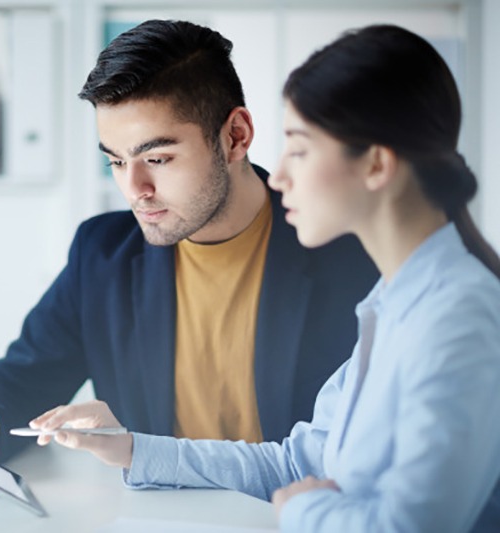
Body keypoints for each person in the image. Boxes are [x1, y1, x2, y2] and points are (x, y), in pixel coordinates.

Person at [30, 24, 500, 532]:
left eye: (298, 149)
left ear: (376, 164)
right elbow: (297, 463)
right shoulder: (392, 301)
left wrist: (304, 509)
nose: (278, 176)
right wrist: (130, 448)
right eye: (117, 162)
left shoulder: (457, 314)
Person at [0, 19, 376, 464]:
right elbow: (28, 373)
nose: (134, 187)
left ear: (235, 136)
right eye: (116, 162)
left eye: (157, 158)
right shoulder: (102, 252)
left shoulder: (351, 251)